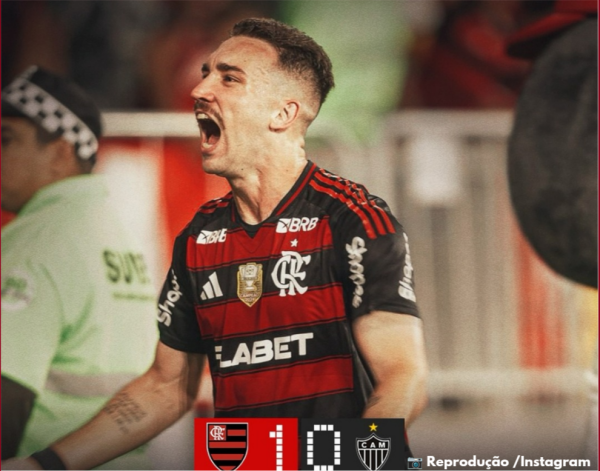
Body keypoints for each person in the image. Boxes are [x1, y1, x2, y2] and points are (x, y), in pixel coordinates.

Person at [3, 19, 428, 470]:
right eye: (206, 73)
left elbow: (404, 377)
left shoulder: (353, 220)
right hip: (238, 461)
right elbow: (166, 388)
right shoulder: (200, 236)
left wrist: (352, 460)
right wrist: (43, 465)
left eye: (229, 78)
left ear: (282, 114)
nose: (198, 89)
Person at [1, 67, 158, 469]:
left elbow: (7, 393)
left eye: (6, 139)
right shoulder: (115, 233)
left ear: (60, 153)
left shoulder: (38, 241)